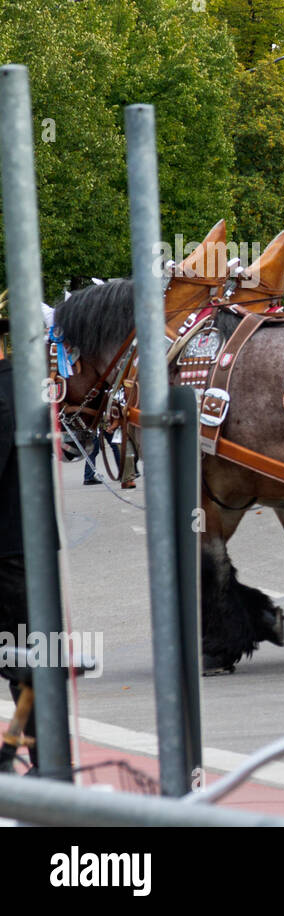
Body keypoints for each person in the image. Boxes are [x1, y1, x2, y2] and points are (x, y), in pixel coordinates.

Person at [0, 324, 36, 771]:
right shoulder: (20, 384)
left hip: (8, 548)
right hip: (22, 545)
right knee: (26, 656)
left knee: (26, 658)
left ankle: (43, 762)